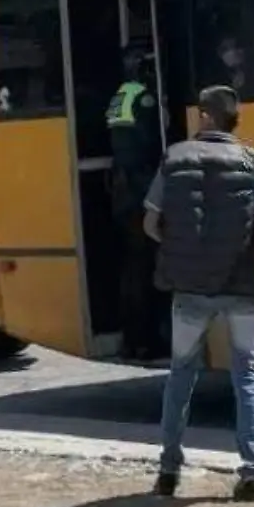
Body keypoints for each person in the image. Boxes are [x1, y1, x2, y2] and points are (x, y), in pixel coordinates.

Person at [144, 85, 254, 502]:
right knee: (247, 377)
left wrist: (177, 249)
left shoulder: (174, 159)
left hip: (188, 291)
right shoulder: (253, 162)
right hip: (241, 287)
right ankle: (252, 474)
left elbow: (151, 223)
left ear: (206, 117)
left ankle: (168, 471)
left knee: (181, 375)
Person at [106, 46, 167, 360]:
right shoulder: (143, 97)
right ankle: (148, 339)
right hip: (141, 192)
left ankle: (131, 339)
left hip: (122, 192)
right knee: (146, 269)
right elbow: (151, 144)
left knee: (132, 269)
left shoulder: (120, 96)